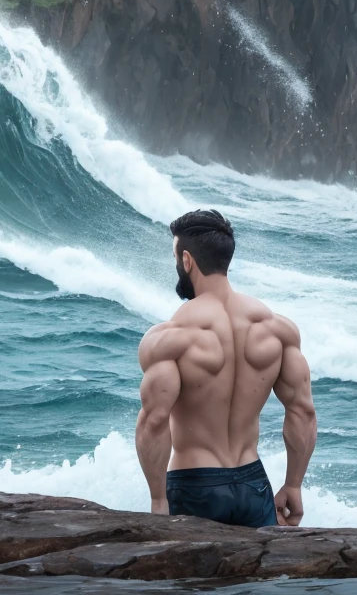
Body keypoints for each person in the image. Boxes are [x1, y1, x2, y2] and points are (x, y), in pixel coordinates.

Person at [135, 208, 316, 528]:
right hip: (253, 484)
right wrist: (293, 484)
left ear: (186, 261)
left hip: (194, 486)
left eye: (175, 258)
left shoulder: (170, 337)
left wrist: (158, 499)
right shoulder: (277, 328)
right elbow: (303, 411)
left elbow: (155, 419)